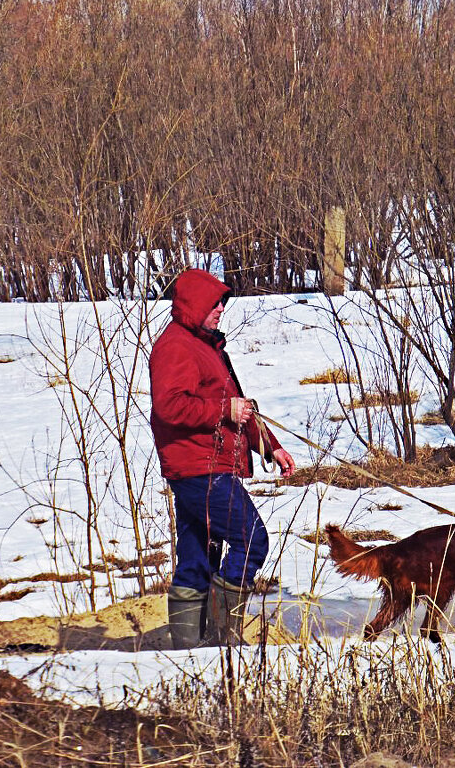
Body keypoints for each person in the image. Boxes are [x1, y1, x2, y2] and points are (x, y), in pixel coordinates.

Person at [150, 269, 295, 648]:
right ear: (194, 305)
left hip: (206, 463)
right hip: (199, 465)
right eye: (213, 303)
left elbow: (238, 409)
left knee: (198, 556)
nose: (220, 310)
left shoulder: (207, 347)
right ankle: (223, 636)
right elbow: (170, 407)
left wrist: (270, 447)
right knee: (252, 539)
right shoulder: (175, 346)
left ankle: (187, 646)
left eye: (222, 303)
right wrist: (222, 408)